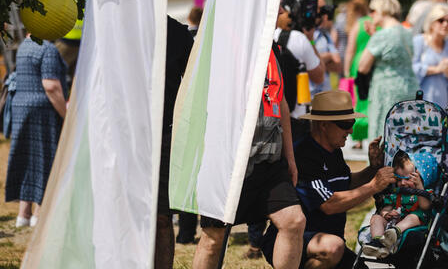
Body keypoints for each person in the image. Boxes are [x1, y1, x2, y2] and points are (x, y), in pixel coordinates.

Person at [193, 48, 306, 269]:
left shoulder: (272, 49)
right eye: (279, 10)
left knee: (293, 221)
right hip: (228, 162)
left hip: (269, 158)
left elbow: (280, 101)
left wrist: (289, 157)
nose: (282, 11)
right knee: (213, 237)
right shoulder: (225, 42)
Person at [262, 90, 396, 268]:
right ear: (324, 125)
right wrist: (373, 186)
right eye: (345, 123)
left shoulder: (334, 151)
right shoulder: (304, 155)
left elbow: (345, 183)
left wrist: (372, 169)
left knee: (341, 252)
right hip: (293, 242)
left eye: (352, 122)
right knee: (333, 248)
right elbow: (330, 204)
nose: (351, 129)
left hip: (328, 241)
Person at [5, 37, 69, 228]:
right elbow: (51, 86)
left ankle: (23, 215)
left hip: (21, 108)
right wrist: (66, 115)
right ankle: (39, 216)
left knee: (27, 161)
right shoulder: (47, 48)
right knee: (44, 160)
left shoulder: (25, 44)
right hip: (42, 112)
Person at [155, 17, 196, 269]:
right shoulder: (118, 23)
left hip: (164, 138)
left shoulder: (178, 33)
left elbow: (193, 84)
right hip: (124, 138)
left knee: (161, 218)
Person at [356, 0, 416, 141]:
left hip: (386, 92)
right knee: (403, 137)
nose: (370, 15)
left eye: (373, 10)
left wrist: (372, 37)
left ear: (382, 11)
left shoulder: (382, 35)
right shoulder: (407, 33)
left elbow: (363, 66)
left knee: (382, 135)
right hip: (408, 89)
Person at [361, 150, 437, 259]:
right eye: (398, 179)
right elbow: (388, 205)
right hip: (393, 222)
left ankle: (394, 232)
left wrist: (420, 187)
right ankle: (378, 243)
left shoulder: (425, 192)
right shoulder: (397, 192)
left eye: (408, 179)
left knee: (413, 216)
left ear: (420, 177)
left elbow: (425, 206)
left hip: (413, 224)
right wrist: (386, 213)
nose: (402, 183)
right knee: (376, 218)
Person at [412, 3, 448, 109]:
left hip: (442, 100)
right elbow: (411, 69)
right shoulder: (419, 41)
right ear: (432, 23)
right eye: (441, 20)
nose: (445, 24)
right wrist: (437, 69)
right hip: (420, 100)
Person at [341, 0, 372, 144]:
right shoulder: (374, 23)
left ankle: (358, 137)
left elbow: (350, 50)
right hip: (372, 62)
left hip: (358, 63)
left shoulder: (357, 24)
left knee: (358, 100)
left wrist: (346, 70)